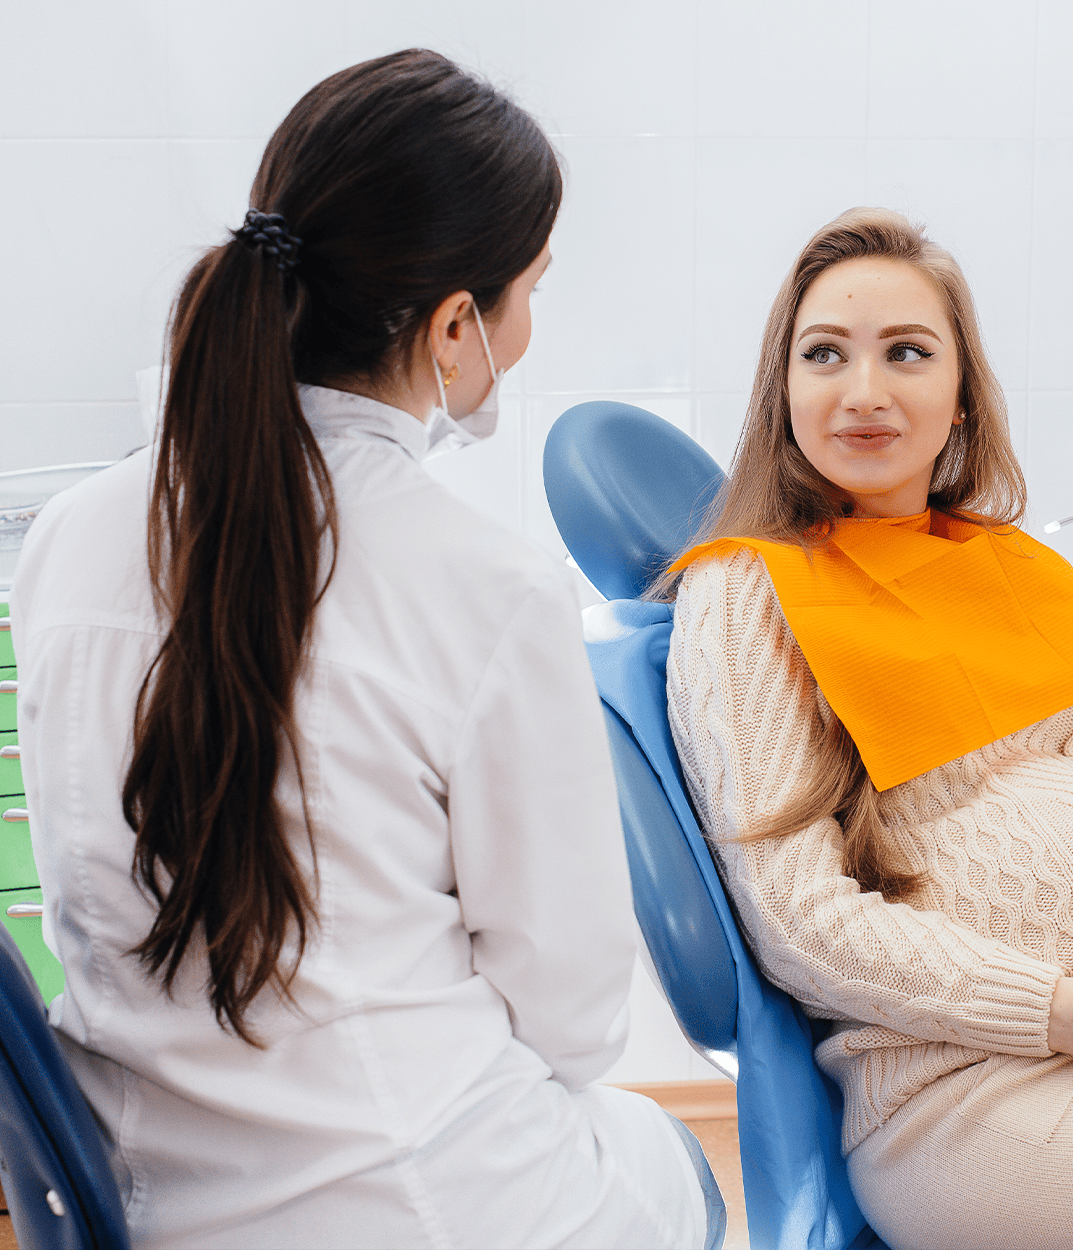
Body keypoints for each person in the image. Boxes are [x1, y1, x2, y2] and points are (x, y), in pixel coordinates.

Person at [10, 50, 722, 1250]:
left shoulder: (68, 542)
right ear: (456, 323)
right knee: (674, 1164)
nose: (527, 324)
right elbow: (571, 1021)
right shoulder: (484, 586)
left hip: (138, 1199)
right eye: (527, 289)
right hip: (415, 1203)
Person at [660, 206, 1073, 1250]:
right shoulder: (750, 591)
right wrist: (1058, 1008)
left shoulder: (1023, 567)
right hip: (969, 1090)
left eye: (906, 353)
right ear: (782, 391)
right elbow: (794, 916)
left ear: (961, 396)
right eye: (824, 354)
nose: (863, 390)